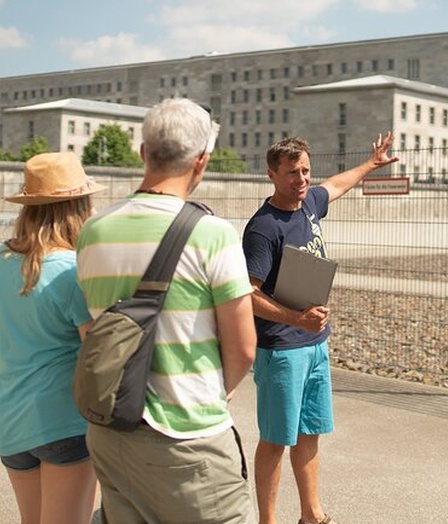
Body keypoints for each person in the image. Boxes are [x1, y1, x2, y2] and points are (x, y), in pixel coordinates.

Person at [76, 98, 257, 523]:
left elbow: (99, 329)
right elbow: (244, 347)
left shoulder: (94, 231)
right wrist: (215, 390)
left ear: (142, 153)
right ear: (202, 162)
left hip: (112, 431)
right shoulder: (213, 235)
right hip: (189, 438)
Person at [243, 133, 398, 524]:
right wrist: (296, 318)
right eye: (292, 172)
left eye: (306, 170)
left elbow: (336, 185)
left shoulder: (309, 204)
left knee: (310, 431)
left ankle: (312, 515)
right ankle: (268, 520)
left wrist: (370, 164)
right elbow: (247, 294)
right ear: (271, 175)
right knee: (277, 438)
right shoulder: (263, 228)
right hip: (281, 349)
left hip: (315, 343)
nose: (302, 179)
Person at [0, 152, 103, 524]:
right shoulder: (73, 270)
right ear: (78, 207)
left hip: (11, 421)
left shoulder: (2, 261)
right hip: (64, 422)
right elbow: (98, 356)